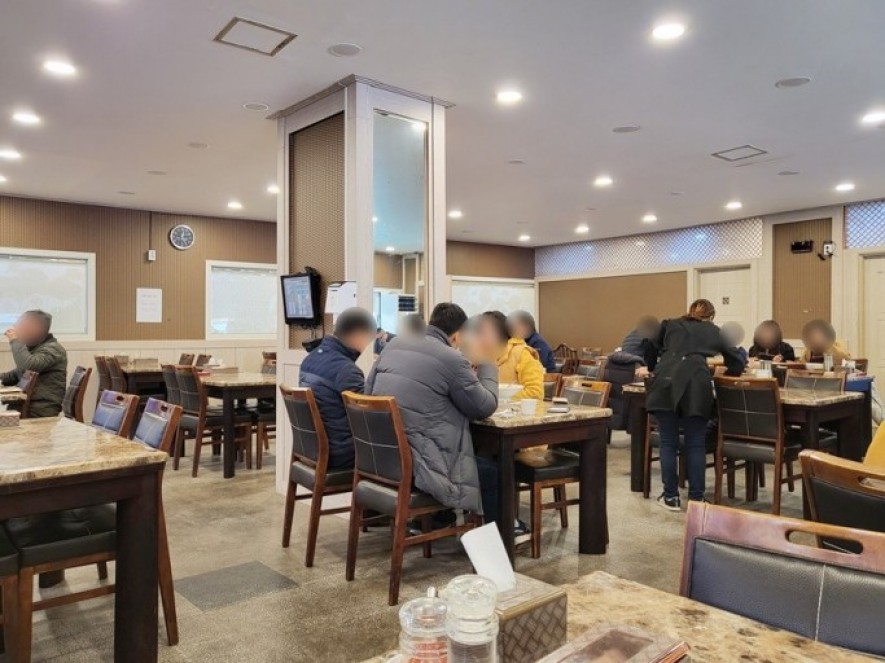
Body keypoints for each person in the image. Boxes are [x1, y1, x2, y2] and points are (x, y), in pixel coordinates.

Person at [367, 303, 504, 525]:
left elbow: (367, 392)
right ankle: (499, 537)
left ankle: (437, 521)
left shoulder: (393, 346)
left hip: (381, 458)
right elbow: (484, 406)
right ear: (457, 336)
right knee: (492, 471)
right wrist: (487, 362)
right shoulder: (451, 359)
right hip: (420, 468)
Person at [646, 299, 746, 511]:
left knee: (668, 441)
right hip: (696, 383)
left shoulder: (669, 324)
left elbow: (649, 345)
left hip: (665, 381)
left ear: (689, 311)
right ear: (711, 316)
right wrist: (729, 373)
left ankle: (670, 497)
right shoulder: (714, 331)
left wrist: (653, 366)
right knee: (695, 443)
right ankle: (697, 499)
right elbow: (737, 361)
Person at [298, 307, 377, 469]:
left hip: (312, 450)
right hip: (342, 454)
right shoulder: (346, 370)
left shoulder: (309, 360)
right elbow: (366, 418)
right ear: (359, 335)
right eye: (369, 338)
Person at [1, 310, 68, 418]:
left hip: (38, 410)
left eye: (20, 326)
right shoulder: (36, 348)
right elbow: (16, 374)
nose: (16, 328)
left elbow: (29, 366)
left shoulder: (53, 350)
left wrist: (15, 340)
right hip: (24, 406)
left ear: (35, 330)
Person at [478, 311, 543, 400]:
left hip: (516, 408)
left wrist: (505, 400)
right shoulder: (479, 357)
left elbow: (535, 392)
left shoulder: (522, 354)